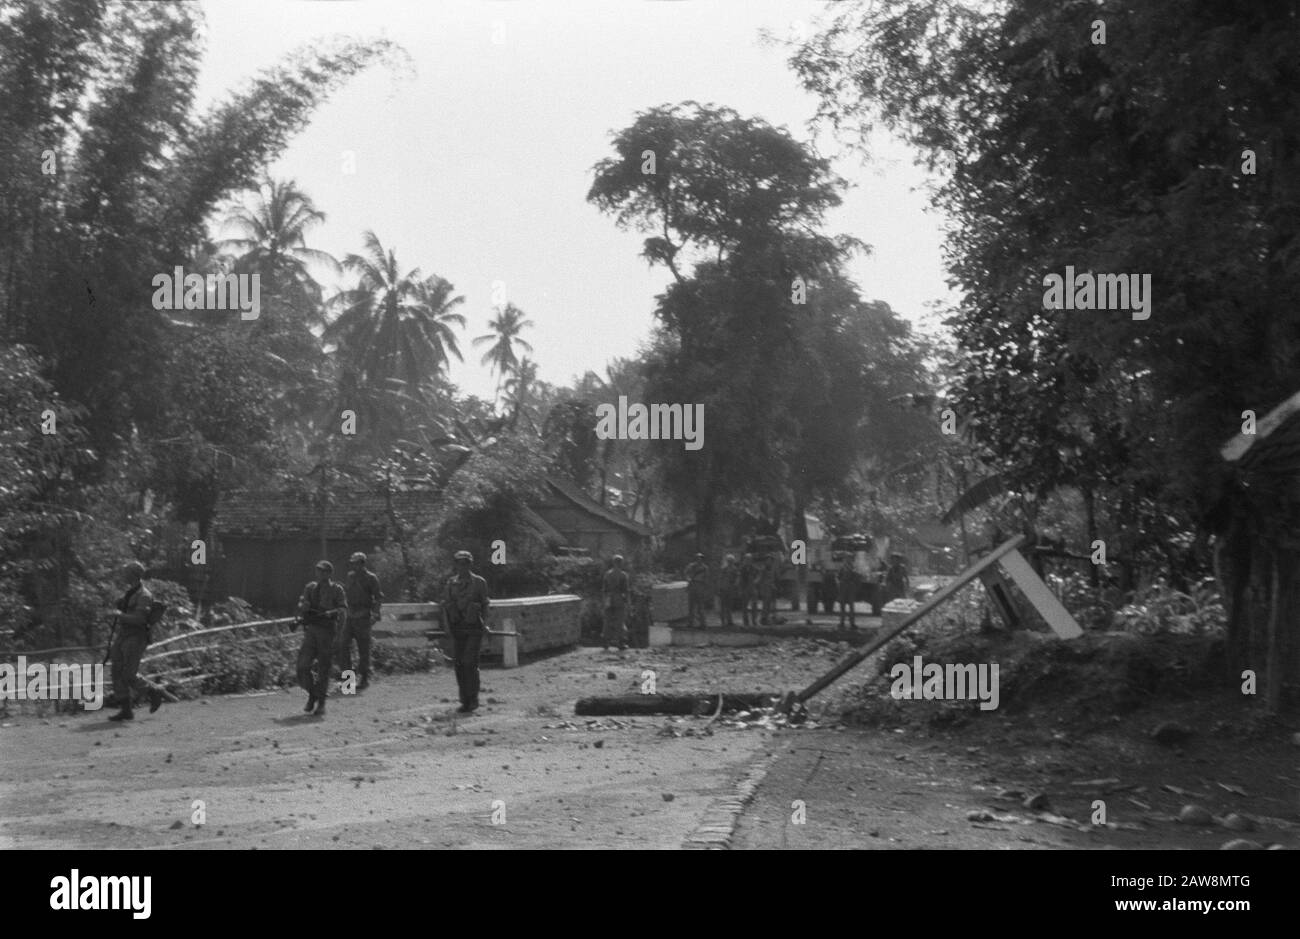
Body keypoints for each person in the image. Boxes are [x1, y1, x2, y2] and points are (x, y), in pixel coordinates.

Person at [107, 561, 166, 721]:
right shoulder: (130, 593)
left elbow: (140, 619)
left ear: (133, 574)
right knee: (117, 672)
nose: (123, 574)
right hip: (124, 635)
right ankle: (126, 710)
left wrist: (119, 615)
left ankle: (153, 691)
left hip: (136, 637)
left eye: (127, 572)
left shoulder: (144, 595)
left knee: (128, 674)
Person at [295, 560, 347, 717]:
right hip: (312, 630)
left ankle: (322, 703)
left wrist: (337, 628)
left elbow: (343, 610)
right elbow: (303, 604)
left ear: (330, 573)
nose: (320, 574)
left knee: (324, 668)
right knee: (302, 666)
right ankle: (313, 694)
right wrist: (303, 607)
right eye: (318, 571)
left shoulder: (337, 589)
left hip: (327, 631)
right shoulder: (310, 588)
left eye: (324, 571)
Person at [441, 550, 491, 714]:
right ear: (455, 565)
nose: (462, 566)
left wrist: (485, 624)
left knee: (470, 663)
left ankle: (473, 699)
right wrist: (447, 628)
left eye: (466, 563)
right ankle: (465, 700)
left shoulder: (479, 582)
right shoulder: (450, 583)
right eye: (459, 563)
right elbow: (447, 606)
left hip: (474, 628)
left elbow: (485, 605)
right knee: (459, 665)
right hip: (458, 629)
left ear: (470, 564)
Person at [338, 551, 383, 691]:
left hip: (363, 616)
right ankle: (348, 683)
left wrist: (375, 614)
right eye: (353, 563)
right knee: (343, 646)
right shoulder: (350, 577)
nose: (354, 565)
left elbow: (378, 597)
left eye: (356, 563)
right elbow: (347, 594)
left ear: (363, 563)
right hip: (351, 616)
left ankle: (364, 679)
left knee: (363, 650)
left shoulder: (371, 578)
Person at [602, 554, 631, 651]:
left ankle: (605, 642)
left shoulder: (607, 574)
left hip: (608, 599)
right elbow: (625, 590)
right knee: (620, 621)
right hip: (619, 599)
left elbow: (604, 589)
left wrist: (605, 600)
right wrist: (627, 601)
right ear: (621, 563)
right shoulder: (623, 575)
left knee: (608, 621)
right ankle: (620, 642)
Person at [684, 553, 709, 629]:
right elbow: (686, 573)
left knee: (700, 606)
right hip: (692, 584)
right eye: (698, 557)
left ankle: (703, 624)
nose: (699, 559)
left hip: (700, 585)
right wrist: (688, 579)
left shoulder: (705, 567)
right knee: (691, 606)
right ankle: (690, 623)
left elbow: (706, 578)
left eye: (701, 558)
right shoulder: (691, 566)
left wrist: (705, 587)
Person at [836, 554, 860, 630]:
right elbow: (838, 577)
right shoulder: (842, 568)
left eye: (849, 558)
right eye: (846, 559)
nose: (847, 560)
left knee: (851, 607)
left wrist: (854, 586)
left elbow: (857, 578)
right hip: (843, 588)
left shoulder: (854, 568)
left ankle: (852, 623)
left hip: (850, 588)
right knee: (842, 607)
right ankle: (842, 623)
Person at [717, 554, 739, 628]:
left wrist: (735, 585)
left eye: (731, 561)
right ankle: (723, 621)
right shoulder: (724, 569)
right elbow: (720, 579)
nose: (730, 562)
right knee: (723, 606)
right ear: (727, 561)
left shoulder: (735, 569)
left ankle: (729, 621)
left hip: (730, 589)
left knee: (729, 606)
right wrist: (719, 588)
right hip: (724, 589)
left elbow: (737, 578)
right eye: (729, 560)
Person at [740, 552, 759, 627]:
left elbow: (758, 576)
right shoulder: (742, 569)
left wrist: (756, 581)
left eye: (749, 559)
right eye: (746, 559)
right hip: (745, 588)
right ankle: (746, 622)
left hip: (753, 588)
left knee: (754, 605)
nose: (748, 560)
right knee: (744, 606)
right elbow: (740, 579)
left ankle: (754, 621)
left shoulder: (754, 568)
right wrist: (741, 589)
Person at [759, 553, 777, 625]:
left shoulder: (772, 569)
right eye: (768, 560)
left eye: (770, 560)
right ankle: (763, 619)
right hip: (765, 588)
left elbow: (773, 579)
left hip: (770, 589)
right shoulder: (763, 569)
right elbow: (761, 579)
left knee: (769, 605)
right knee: (765, 605)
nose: (769, 562)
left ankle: (767, 618)